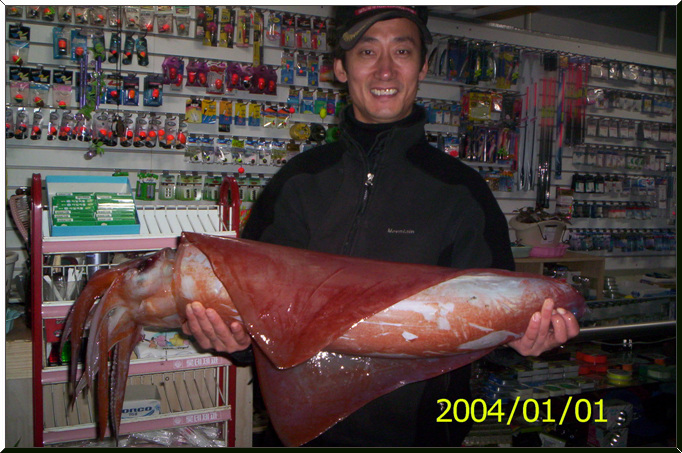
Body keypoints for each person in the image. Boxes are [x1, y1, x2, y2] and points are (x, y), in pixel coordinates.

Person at [182, 5, 580, 447]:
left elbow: (495, 317)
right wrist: (237, 339)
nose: (385, 69)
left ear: (422, 67)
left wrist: (522, 338)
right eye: (367, 51)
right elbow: (252, 309)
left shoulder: (462, 193)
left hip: (418, 436)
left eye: (402, 51)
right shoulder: (296, 184)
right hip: (299, 436)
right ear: (341, 68)